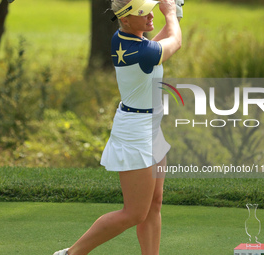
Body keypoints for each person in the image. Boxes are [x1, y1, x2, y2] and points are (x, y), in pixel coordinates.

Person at [53, 0, 182, 254]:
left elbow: (162, 39)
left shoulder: (126, 40)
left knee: (154, 203)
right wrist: (171, 12)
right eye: (143, 13)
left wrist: (174, 12)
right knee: (134, 213)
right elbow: (175, 41)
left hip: (149, 125)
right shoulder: (143, 52)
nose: (150, 16)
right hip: (136, 132)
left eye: (151, 10)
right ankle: (71, 253)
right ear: (125, 20)